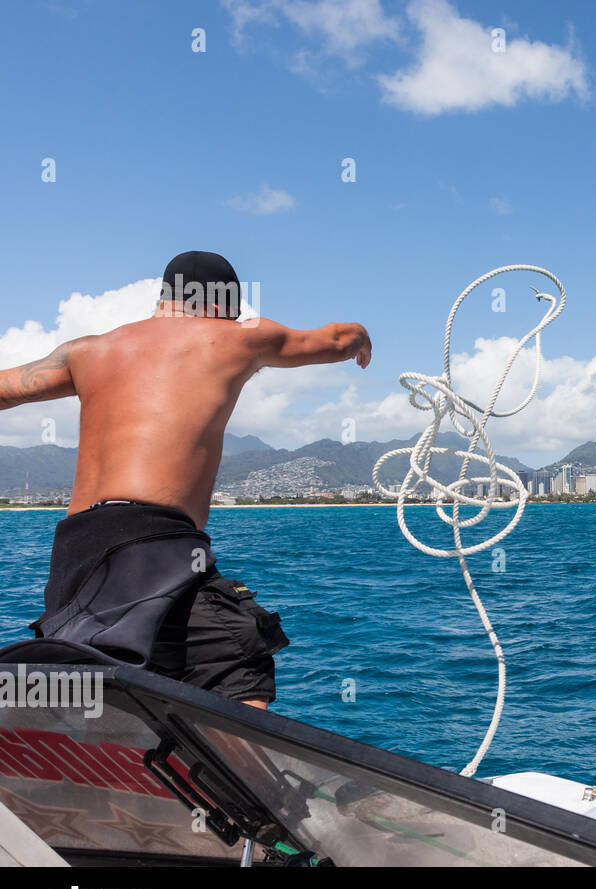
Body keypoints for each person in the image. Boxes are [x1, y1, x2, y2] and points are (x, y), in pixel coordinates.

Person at [0, 251, 372, 709]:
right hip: (154, 538)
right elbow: (335, 339)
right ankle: (239, 777)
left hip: (74, 553)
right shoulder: (236, 337)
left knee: (108, 683)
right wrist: (361, 337)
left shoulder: (88, 351)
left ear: (164, 299)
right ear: (224, 305)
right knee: (239, 658)